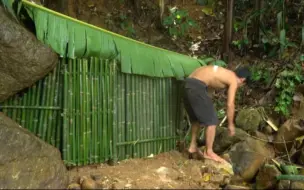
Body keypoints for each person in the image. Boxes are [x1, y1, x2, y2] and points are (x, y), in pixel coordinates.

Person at [183, 65, 251, 163]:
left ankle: (192, 146)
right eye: (242, 85)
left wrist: (207, 107)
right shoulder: (233, 79)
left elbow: (208, 92)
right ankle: (209, 152)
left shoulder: (224, 73)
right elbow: (230, 104)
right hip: (197, 86)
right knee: (212, 121)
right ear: (242, 80)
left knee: (196, 119)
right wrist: (230, 124)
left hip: (187, 84)